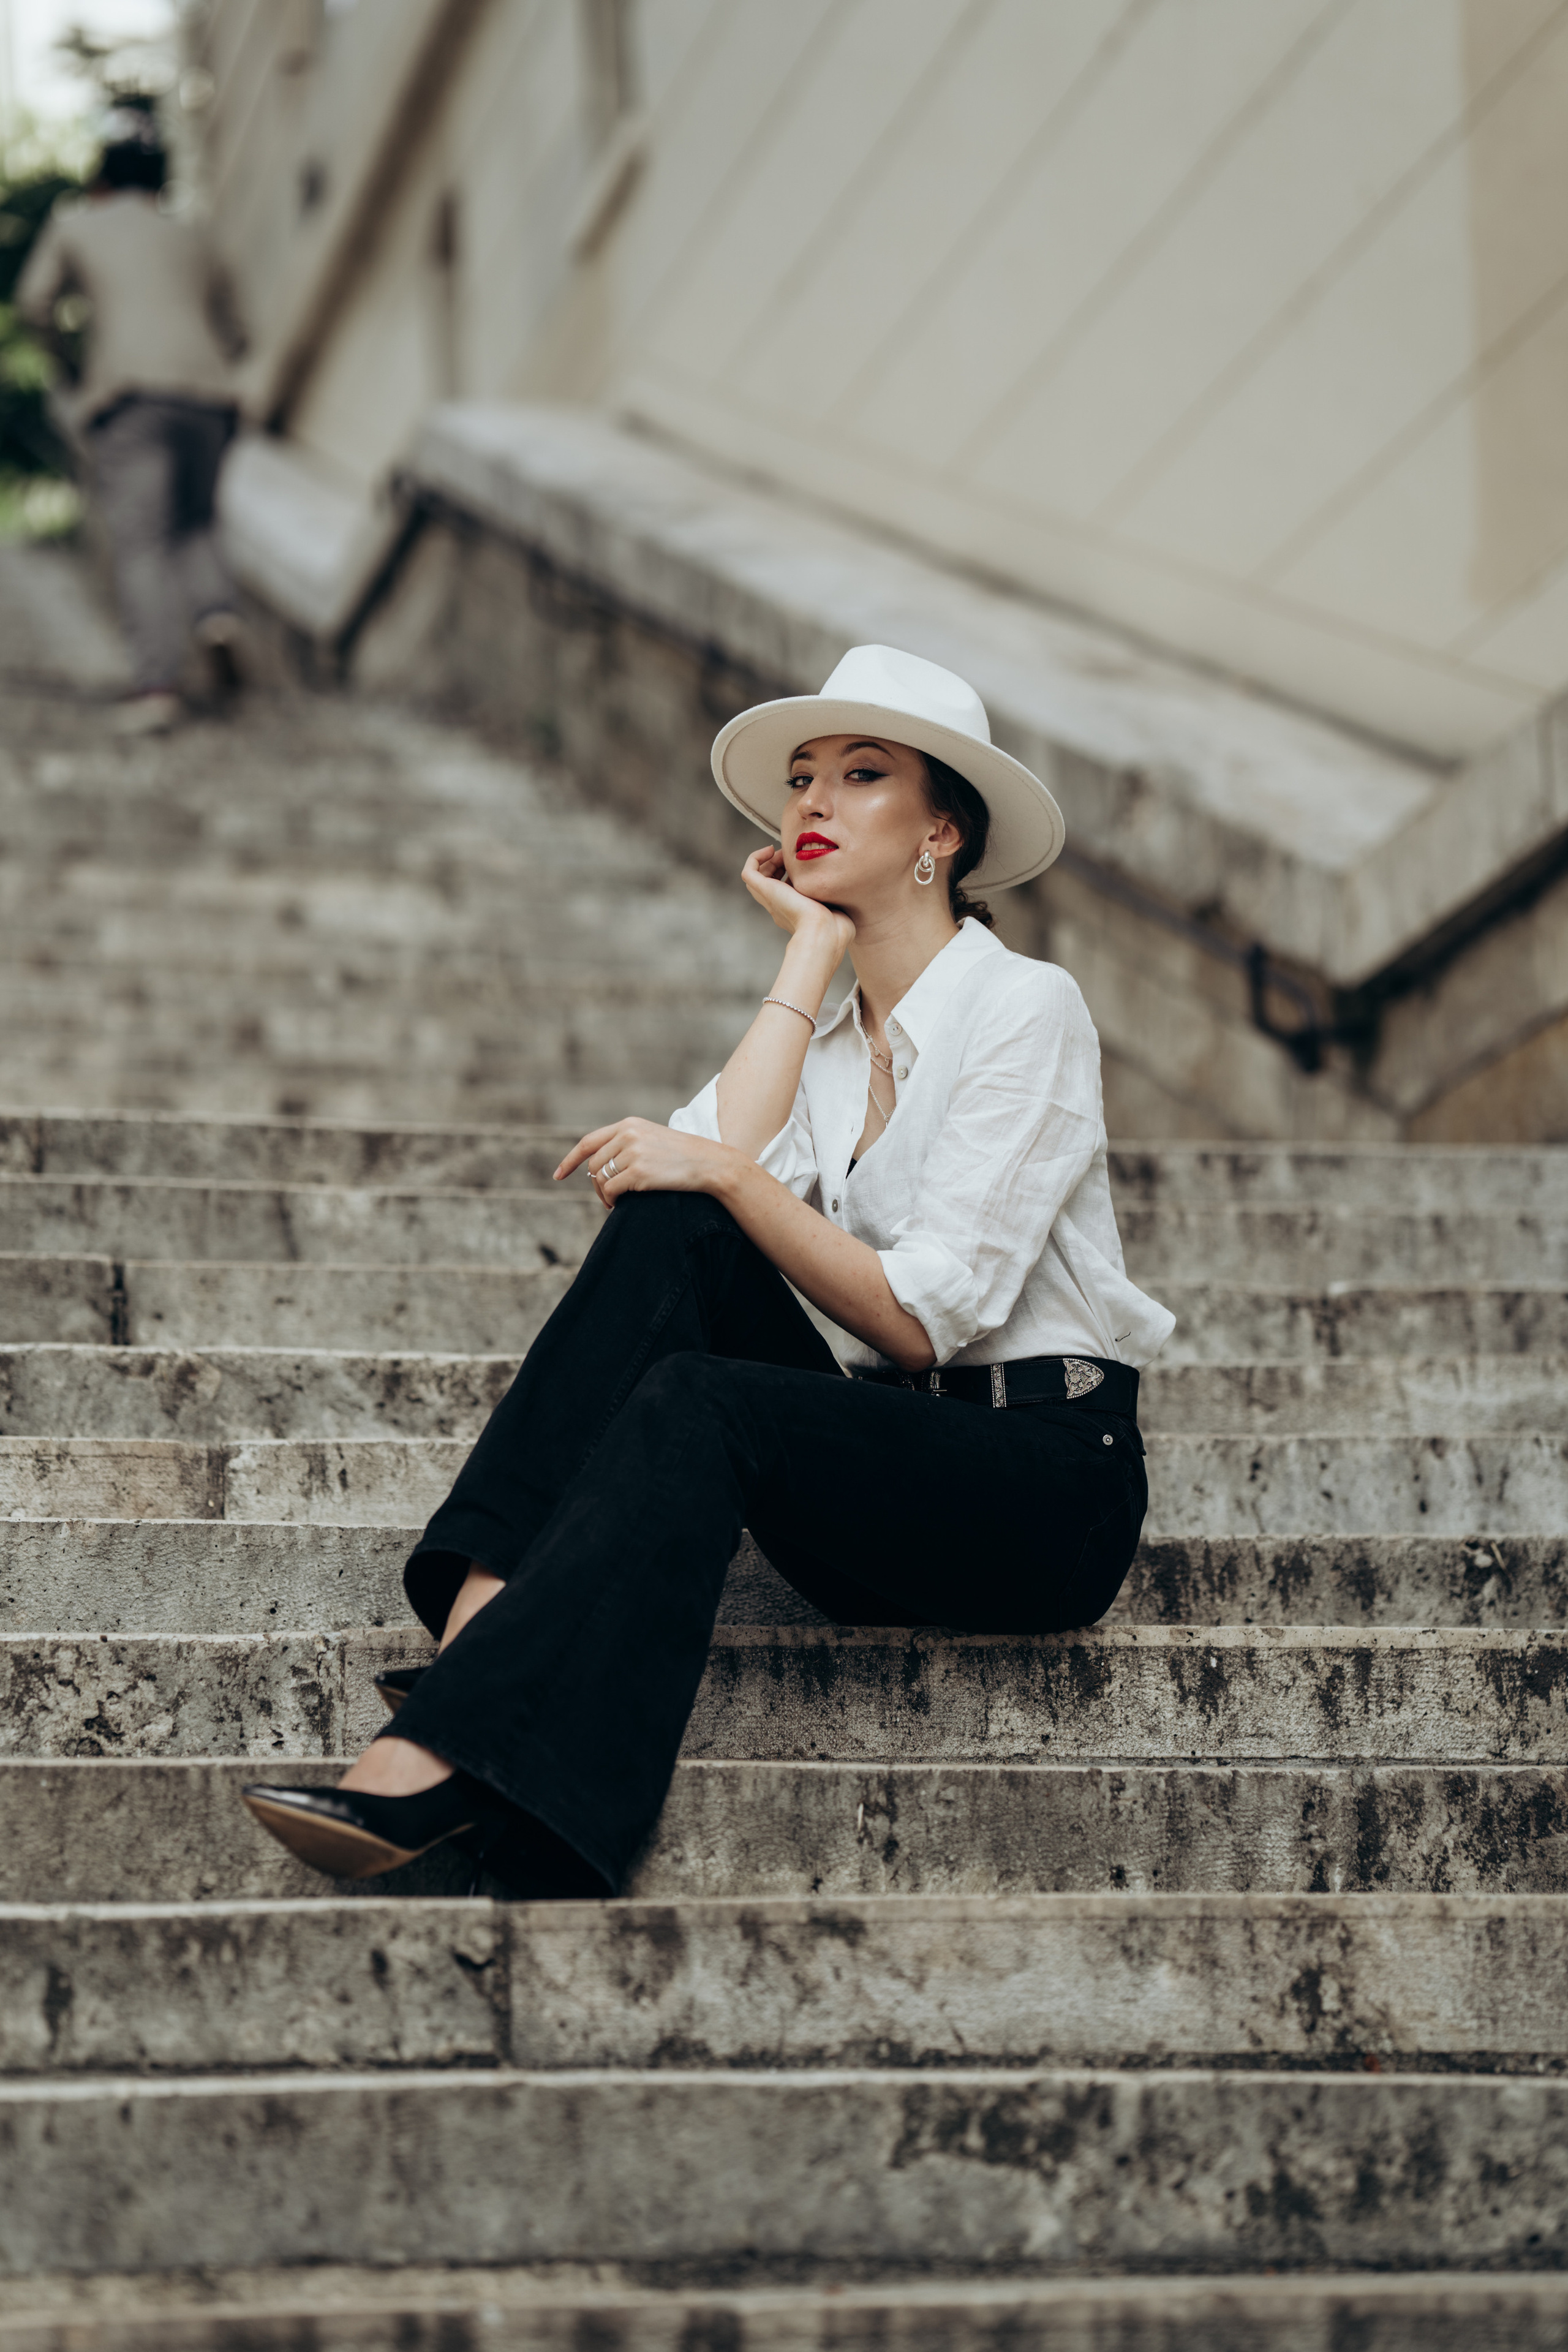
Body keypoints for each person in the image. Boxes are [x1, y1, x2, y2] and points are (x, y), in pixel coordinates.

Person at [241, 644, 1177, 1896]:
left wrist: (728, 1177)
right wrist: (807, 960)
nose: (810, 803)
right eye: (799, 779)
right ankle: (471, 1663)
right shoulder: (833, 1045)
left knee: (702, 1378)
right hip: (877, 1476)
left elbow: (921, 1321)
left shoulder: (1025, 1006)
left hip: (1040, 1490)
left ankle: (474, 1773)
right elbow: (693, 1186)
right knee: (676, 1227)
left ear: (938, 831)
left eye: (858, 775)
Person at [16, 103, 247, 735]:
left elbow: (35, 303)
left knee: (141, 537)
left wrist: (68, 366)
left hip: (129, 395)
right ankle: (217, 615)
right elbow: (240, 330)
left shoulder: (78, 225)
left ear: (101, 183)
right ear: (161, 182)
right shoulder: (193, 232)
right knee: (198, 519)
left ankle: (157, 686)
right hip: (210, 396)